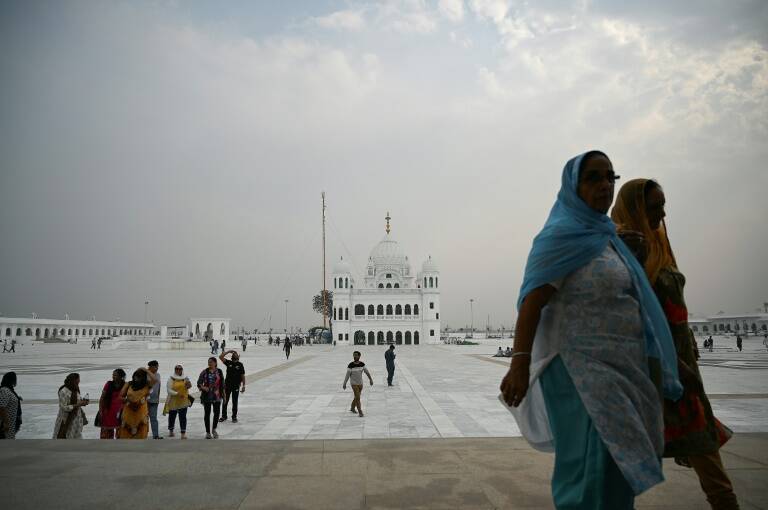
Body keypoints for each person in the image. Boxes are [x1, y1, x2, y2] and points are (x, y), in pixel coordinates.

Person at [500, 151, 682, 510]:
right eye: (593, 177)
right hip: (577, 372)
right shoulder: (560, 237)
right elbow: (532, 302)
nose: (604, 185)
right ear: (573, 186)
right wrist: (519, 362)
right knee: (588, 469)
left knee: (617, 466)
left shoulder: (609, 239)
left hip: (622, 371)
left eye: (609, 177)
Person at [612, 178, 740, 509]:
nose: (663, 212)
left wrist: (688, 351)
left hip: (681, 365)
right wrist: (676, 366)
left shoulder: (659, 243)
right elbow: (632, 312)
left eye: (663, 205)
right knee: (620, 468)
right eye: (655, 206)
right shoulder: (623, 246)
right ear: (636, 207)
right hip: (652, 370)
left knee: (708, 459)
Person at [118, 367, 157, 439]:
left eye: (139, 376)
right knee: (126, 436)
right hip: (128, 414)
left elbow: (155, 379)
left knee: (141, 435)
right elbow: (120, 396)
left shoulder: (147, 385)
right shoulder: (129, 384)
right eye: (135, 375)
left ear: (143, 377)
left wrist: (145, 370)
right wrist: (127, 400)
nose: (136, 378)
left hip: (141, 415)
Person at [53, 373, 89, 439]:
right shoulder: (63, 391)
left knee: (76, 438)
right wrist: (79, 404)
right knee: (64, 436)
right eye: (77, 381)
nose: (78, 382)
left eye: (79, 380)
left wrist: (83, 402)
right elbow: (64, 407)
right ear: (72, 380)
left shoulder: (75, 388)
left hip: (76, 419)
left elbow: (77, 400)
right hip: (66, 419)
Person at [197, 357, 225, 439]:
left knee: (216, 413)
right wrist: (203, 387)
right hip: (207, 396)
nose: (210, 363)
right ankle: (208, 432)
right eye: (209, 362)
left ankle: (214, 429)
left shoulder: (219, 371)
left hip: (217, 396)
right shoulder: (204, 372)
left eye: (211, 362)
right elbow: (199, 383)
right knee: (207, 414)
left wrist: (224, 395)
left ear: (215, 363)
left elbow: (222, 384)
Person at [163, 364, 192, 439]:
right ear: (174, 370)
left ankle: (183, 433)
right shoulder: (171, 378)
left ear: (182, 370)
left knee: (183, 417)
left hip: (183, 400)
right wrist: (177, 394)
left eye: (180, 369)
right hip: (173, 401)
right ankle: (171, 430)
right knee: (172, 416)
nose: (178, 370)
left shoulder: (185, 377)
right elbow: (168, 390)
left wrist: (189, 384)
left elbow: (189, 386)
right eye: (177, 369)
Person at [343, 351, 374, 417]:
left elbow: (367, 372)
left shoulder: (362, 364)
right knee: (358, 397)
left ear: (359, 356)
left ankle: (352, 407)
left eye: (356, 355)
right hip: (353, 384)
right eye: (354, 355)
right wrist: (344, 383)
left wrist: (370, 379)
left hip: (360, 383)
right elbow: (347, 375)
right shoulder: (350, 365)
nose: (355, 356)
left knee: (357, 397)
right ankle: (360, 411)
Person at [98, 368, 126, 439]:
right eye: (113, 375)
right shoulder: (108, 384)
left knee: (120, 433)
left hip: (120, 412)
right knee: (107, 434)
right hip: (108, 411)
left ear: (120, 376)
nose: (113, 376)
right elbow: (102, 398)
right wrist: (100, 410)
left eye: (115, 375)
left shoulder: (125, 385)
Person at [219, 350, 245, 423]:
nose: (235, 354)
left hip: (236, 386)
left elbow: (242, 375)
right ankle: (224, 416)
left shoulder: (240, 365)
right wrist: (229, 351)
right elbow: (220, 357)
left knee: (235, 401)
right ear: (232, 356)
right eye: (234, 354)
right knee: (225, 400)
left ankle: (234, 417)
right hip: (227, 385)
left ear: (238, 356)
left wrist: (244, 386)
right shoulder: (228, 363)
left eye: (236, 353)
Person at [0, 372, 22, 439]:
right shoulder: (4, 390)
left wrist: (17, 398)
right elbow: (1, 408)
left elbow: (8, 399)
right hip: (6, 424)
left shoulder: (9, 389)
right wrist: (6, 423)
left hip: (11, 423)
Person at [146, 360, 162, 439]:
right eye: (155, 366)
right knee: (144, 418)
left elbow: (159, 386)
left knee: (154, 418)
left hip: (154, 400)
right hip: (145, 401)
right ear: (150, 367)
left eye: (157, 366)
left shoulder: (158, 375)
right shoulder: (145, 375)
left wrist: (158, 398)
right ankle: (143, 434)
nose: (157, 368)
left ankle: (155, 435)